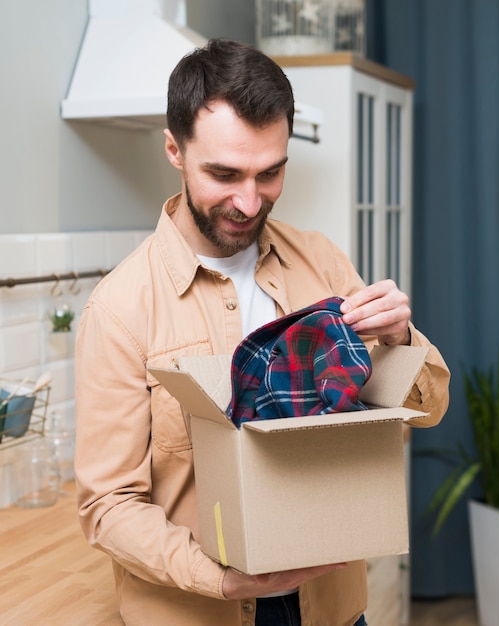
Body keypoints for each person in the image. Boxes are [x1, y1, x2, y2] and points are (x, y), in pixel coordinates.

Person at [74, 38, 450, 626]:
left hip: (331, 608)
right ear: (174, 149)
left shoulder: (322, 261)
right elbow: (107, 506)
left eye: (269, 172)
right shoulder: (120, 309)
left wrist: (402, 341)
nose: (249, 202)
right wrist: (220, 578)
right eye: (224, 174)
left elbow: (422, 416)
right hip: (203, 609)